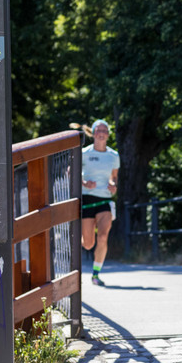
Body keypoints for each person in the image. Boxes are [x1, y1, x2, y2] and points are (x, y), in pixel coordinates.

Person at [81, 119, 120, 286]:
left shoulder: (114, 156)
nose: (102, 133)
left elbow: (114, 177)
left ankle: (96, 275)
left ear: (108, 135)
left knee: (103, 236)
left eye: (105, 130)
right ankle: (81, 238)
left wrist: (113, 185)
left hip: (104, 200)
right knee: (89, 244)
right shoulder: (84, 153)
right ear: (93, 133)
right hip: (87, 200)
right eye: (99, 130)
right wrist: (84, 183)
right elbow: (71, 172)